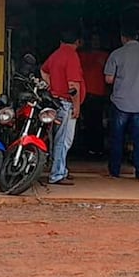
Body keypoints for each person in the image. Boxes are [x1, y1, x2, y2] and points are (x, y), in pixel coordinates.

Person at [104, 28, 139, 182]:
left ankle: (115, 172)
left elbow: (108, 79)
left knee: (117, 138)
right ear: (137, 37)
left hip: (121, 102)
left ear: (123, 38)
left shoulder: (117, 54)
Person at [41, 29, 86, 186]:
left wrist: (50, 86)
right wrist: (76, 106)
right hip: (66, 102)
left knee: (58, 138)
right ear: (77, 42)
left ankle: (61, 169)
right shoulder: (71, 56)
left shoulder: (56, 54)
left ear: (61, 42)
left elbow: (43, 70)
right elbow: (73, 85)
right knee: (64, 140)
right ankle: (57, 174)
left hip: (55, 101)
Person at [77, 33, 109, 157]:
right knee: (86, 123)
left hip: (97, 94)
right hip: (83, 93)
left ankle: (96, 148)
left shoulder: (104, 56)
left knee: (96, 122)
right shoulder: (81, 55)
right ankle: (87, 148)